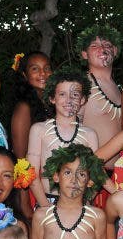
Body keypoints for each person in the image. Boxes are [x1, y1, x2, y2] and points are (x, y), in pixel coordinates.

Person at [26, 70, 97, 212]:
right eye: (62, 94)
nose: (69, 100)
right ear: (52, 98)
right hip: (47, 202)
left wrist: (84, 204)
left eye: (75, 95)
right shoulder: (39, 130)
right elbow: (31, 174)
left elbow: (95, 175)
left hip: (79, 204)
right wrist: (45, 207)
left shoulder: (90, 134)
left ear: (82, 100)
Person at [75, 26, 123, 148]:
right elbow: (70, 130)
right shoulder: (81, 86)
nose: (102, 49)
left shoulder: (120, 88)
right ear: (85, 54)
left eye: (107, 45)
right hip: (92, 160)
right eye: (94, 46)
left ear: (115, 50)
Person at [8, 51, 53, 159]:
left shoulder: (53, 102)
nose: (43, 73)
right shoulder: (23, 108)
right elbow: (20, 157)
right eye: (35, 69)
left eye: (47, 68)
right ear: (25, 75)